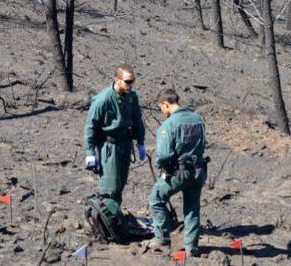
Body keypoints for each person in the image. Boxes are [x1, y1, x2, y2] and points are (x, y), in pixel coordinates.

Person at [148, 88, 208, 256]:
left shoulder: (169, 125)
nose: (162, 112)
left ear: (165, 104)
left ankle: (161, 240)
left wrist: (160, 164)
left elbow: (165, 154)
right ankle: (191, 247)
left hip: (179, 173)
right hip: (198, 171)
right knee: (192, 209)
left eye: (161, 108)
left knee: (156, 199)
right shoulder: (197, 119)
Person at [83, 64, 146, 208]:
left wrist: (140, 142)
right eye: (127, 81)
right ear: (117, 80)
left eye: (133, 81)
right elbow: (90, 127)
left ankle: (115, 218)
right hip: (109, 147)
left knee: (120, 185)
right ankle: (104, 219)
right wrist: (90, 153)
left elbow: (137, 119)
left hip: (125, 144)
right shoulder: (103, 99)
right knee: (109, 186)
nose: (131, 85)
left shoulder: (131, 97)